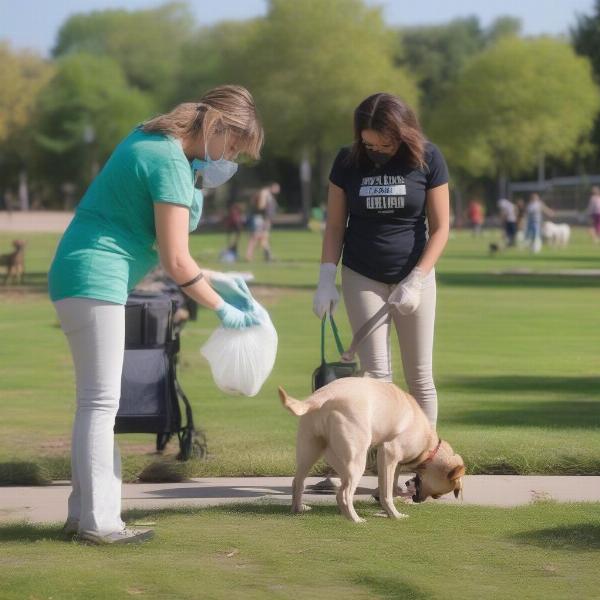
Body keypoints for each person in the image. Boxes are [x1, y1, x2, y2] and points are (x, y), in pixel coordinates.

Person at [47, 85, 264, 545]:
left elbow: (164, 248)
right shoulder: (169, 162)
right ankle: (99, 523)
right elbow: (176, 262)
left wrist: (217, 278)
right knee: (102, 403)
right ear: (215, 127)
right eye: (233, 148)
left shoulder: (153, 139)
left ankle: (81, 515)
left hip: (81, 273)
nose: (231, 160)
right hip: (94, 278)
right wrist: (223, 309)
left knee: (94, 402)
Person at [313, 91, 449, 431]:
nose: (377, 152)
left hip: (414, 273)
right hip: (362, 273)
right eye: (370, 145)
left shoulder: (428, 158)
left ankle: (421, 467)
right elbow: (334, 225)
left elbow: (442, 228)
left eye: (385, 145)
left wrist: (417, 279)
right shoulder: (346, 161)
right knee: (376, 376)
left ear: (403, 134)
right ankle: (378, 468)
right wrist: (326, 279)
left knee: (419, 375)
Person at [246, 182, 280, 261]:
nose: (278, 190)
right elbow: (261, 206)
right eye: (277, 188)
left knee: (264, 237)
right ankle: (249, 256)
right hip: (260, 218)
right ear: (272, 186)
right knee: (255, 237)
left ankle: (268, 255)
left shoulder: (269, 194)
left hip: (264, 218)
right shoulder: (264, 192)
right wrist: (266, 214)